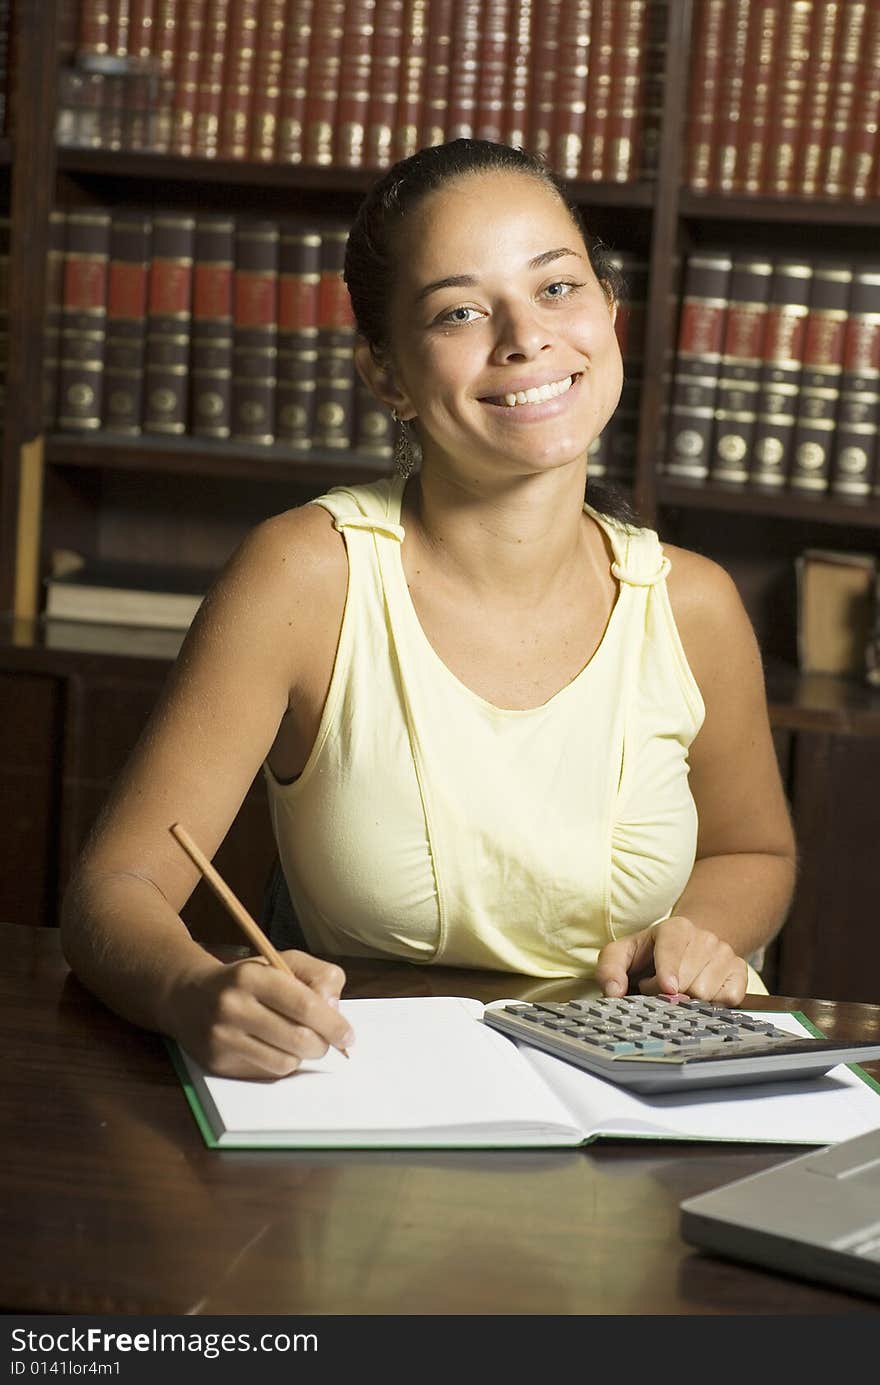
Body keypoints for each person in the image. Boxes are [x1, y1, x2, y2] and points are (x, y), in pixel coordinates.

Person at [60, 139, 796, 1079]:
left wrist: (700, 933)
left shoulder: (694, 604)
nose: (525, 337)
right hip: (368, 1092)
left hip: (636, 1095)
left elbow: (754, 849)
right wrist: (190, 989)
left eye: (558, 287)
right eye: (458, 310)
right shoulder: (303, 576)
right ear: (386, 374)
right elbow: (114, 889)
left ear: (613, 314)